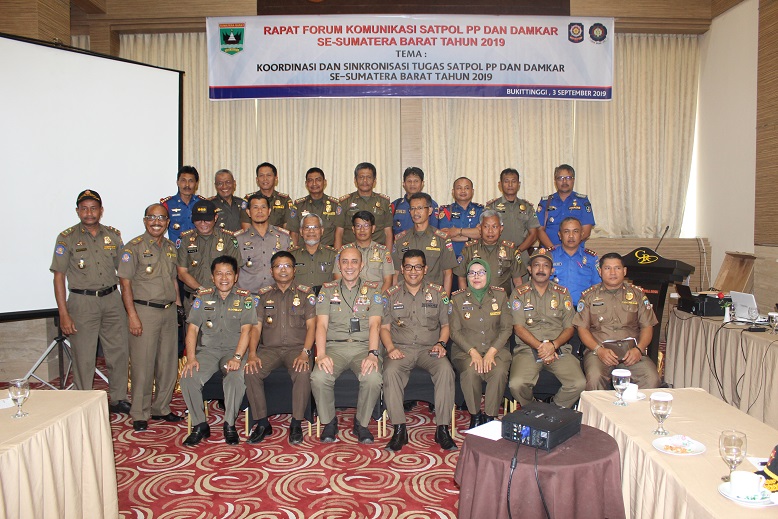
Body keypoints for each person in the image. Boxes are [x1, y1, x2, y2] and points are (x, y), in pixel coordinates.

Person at [51, 190, 130, 413]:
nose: (89, 213)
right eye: (84, 209)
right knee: (84, 356)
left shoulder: (113, 236)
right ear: (77, 211)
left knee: (118, 352)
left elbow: (124, 272)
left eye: (93, 208)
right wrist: (63, 314)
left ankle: (118, 398)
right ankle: (84, 402)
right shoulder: (66, 238)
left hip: (112, 299)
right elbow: (59, 277)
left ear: (101, 211)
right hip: (82, 302)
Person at [381, 250, 456, 452]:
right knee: (390, 371)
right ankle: (399, 429)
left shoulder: (438, 293)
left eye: (417, 267)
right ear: (402, 269)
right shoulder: (390, 295)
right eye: (408, 267)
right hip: (401, 349)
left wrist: (441, 344)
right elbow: (384, 328)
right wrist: (390, 348)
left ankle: (442, 429)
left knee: (446, 370)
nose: (413, 271)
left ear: (425, 269)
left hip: (429, 349)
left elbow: (446, 325)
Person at [118, 203, 183, 431]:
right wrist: (132, 316)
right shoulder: (133, 248)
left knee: (168, 363)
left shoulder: (170, 247)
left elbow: (173, 280)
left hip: (168, 311)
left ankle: (161, 408)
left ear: (167, 222)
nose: (157, 222)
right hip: (144, 311)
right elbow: (125, 284)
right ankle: (140, 412)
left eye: (162, 218)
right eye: (152, 217)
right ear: (145, 221)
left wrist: (178, 307)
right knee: (143, 364)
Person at [180, 256, 258, 446]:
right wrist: (191, 358)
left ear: (236, 276)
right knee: (188, 376)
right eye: (219, 274)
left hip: (234, 351)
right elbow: (193, 329)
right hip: (208, 351)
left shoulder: (245, 298)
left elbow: (247, 330)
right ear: (212, 277)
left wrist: (237, 357)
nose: (224, 278)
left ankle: (229, 424)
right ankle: (200, 425)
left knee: (234, 377)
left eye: (228, 273)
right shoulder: (203, 297)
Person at [310, 246, 383, 444]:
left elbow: (375, 324)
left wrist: (372, 354)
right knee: (318, 377)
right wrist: (321, 354)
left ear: (362, 265)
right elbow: (321, 325)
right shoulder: (327, 290)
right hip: (334, 348)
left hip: (363, 347)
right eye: (345, 261)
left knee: (373, 377)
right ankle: (329, 422)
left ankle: (361, 423)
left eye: (354, 261)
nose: (349, 266)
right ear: (339, 265)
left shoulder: (373, 290)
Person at [244, 251, 315, 445]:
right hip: (270, 350)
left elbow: (312, 327)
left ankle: (296, 423)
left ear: (294, 270)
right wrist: (252, 354)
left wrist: (305, 353)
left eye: (287, 266)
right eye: (278, 266)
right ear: (271, 270)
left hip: (297, 349)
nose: (283, 270)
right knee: (251, 371)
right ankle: (262, 423)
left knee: (303, 371)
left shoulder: (306, 293)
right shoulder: (262, 295)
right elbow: (256, 328)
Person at [508, 249, 586, 409]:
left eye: (545, 265)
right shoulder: (519, 293)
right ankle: (533, 407)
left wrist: (553, 346)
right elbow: (519, 328)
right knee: (516, 384)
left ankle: (553, 408)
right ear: (529, 269)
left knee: (579, 383)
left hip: (559, 349)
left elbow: (569, 328)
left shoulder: (563, 293)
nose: (541, 269)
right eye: (536, 265)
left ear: (552, 270)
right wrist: (541, 348)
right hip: (528, 349)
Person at [573, 253, 662, 391]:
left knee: (651, 378)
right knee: (595, 377)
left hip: (631, 352)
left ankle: (633, 406)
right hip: (599, 352)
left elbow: (647, 326)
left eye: (617, 268)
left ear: (624, 271)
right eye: (607, 268)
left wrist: (639, 349)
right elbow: (582, 328)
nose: (613, 272)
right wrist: (598, 350)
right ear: (600, 271)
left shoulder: (638, 295)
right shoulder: (589, 296)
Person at [449, 259, 512, 428]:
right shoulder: (457, 298)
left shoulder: (500, 296)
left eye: (481, 273)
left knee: (498, 371)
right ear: (467, 277)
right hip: (465, 351)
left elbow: (507, 328)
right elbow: (454, 332)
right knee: (470, 372)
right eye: (472, 273)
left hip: (496, 349)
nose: (476, 277)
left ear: (488, 275)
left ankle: (490, 416)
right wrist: (472, 352)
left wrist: (491, 352)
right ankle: (475, 415)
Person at [176, 199, 242, 313]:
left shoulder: (228, 238)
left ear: (215, 218)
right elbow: (182, 273)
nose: (203, 224)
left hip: (222, 298)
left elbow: (235, 270)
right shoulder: (185, 240)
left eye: (207, 220)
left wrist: (217, 293)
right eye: (198, 220)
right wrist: (202, 291)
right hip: (194, 298)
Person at [392, 193, 458, 295]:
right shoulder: (400, 239)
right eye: (412, 208)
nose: (416, 212)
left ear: (430, 210)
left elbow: (448, 273)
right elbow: (396, 273)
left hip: (433, 297)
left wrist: (445, 300)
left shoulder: (441, 239)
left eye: (420, 208)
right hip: (405, 297)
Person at [454, 210, 523, 294]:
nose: (490, 231)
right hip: (476, 299)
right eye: (486, 226)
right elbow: (461, 278)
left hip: (503, 300)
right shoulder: (469, 249)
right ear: (480, 228)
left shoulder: (510, 249)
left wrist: (518, 299)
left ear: (501, 229)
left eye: (494, 227)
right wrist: (466, 298)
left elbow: (517, 281)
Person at [234, 193, 291, 294]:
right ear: (248, 212)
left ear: (269, 211)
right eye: (255, 207)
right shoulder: (238, 239)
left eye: (263, 207)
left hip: (277, 295)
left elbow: (290, 267)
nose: (259, 211)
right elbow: (233, 269)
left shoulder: (283, 237)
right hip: (248, 296)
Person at [485, 168, 540, 268]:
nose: (510, 185)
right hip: (497, 255)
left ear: (518, 185)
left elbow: (534, 234)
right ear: (500, 184)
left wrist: (518, 251)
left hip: (521, 254)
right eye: (506, 181)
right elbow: (485, 232)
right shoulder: (492, 207)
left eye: (513, 181)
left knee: (522, 278)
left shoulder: (527, 207)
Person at [334, 162, 392, 249]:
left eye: (369, 177)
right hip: (351, 252)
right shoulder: (345, 202)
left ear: (374, 181)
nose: (365, 181)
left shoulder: (384, 202)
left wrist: (387, 254)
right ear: (355, 180)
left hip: (377, 252)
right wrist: (338, 255)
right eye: (361, 177)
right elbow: (339, 232)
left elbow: (388, 233)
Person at [333, 211, 394, 294]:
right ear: (353, 229)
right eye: (358, 226)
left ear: (373, 228)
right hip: (350, 296)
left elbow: (388, 281)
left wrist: (377, 299)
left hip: (377, 296)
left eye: (366, 226)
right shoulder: (344, 251)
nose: (362, 230)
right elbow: (338, 278)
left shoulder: (383, 252)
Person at [537, 164, 595, 248]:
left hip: (574, 251)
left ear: (573, 180)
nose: (564, 181)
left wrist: (568, 248)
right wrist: (553, 249)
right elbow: (539, 230)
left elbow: (586, 232)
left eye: (568, 178)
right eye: (560, 178)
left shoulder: (582, 202)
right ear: (555, 181)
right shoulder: (545, 202)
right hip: (549, 251)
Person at [551, 217, 600, 307]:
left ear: (582, 234)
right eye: (566, 231)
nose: (571, 236)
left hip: (583, 309)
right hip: (555, 309)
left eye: (575, 231)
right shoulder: (549, 256)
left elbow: (597, 286)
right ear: (560, 235)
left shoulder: (591, 258)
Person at [287, 167, 340, 247]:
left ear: (324, 182)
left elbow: (339, 233)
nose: (314, 184)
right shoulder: (298, 205)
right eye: (310, 180)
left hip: (328, 252)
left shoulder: (335, 205)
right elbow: (294, 233)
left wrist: (337, 253)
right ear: (306, 184)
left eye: (318, 180)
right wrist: (293, 253)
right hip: (304, 251)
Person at [437, 177, 484, 262]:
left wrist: (457, 231)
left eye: (467, 188)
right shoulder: (446, 210)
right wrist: (472, 236)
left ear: (472, 191)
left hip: (475, 259)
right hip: (451, 259)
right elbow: (445, 234)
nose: (463, 191)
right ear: (453, 192)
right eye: (459, 188)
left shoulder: (481, 210)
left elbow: (483, 233)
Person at [289, 213, 337, 294]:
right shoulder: (291, 256)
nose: (311, 231)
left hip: (325, 299)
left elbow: (338, 282)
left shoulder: (333, 255)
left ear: (322, 231)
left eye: (315, 227)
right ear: (301, 231)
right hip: (298, 300)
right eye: (307, 227)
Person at [241, 162, 292, 229]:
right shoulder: (248, 199)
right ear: (257, 179)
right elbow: (246, 229)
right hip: (254, 235)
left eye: (268, 175)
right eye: (261, 175)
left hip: (278, 235)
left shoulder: (284, 200)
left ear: (276, 178)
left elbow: (288, 229)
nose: (265, 179)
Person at [390, 166, 439, 235]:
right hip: (400, 242)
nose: (412, 184)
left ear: (422, 183)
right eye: (409, 181)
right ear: (404, 184)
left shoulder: (431, 204)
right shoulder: (395, 205)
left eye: (416, 181)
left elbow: (434, 230)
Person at [161, 165, 201, 246]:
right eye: (183, 181)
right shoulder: (167, 204)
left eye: (191, 181)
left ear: (196, 184)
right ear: (177, 182)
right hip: (176, 251)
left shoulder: (202, 203)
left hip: (199, 250)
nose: (187, 185)